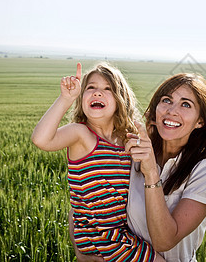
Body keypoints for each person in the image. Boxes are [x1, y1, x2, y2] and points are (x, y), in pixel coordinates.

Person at [31, 62, 164, 262]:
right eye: (90, 88)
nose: (97, 93)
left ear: (121, 100)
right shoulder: (81, 134)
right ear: (81, 98)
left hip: (122, 234)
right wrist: (65, 99)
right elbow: (41, 139)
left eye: (107, 89)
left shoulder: (126, 138)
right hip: (101, 237)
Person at [124, 73, 206, 261]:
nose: (171, 111)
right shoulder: (132, 153)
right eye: (166, 100)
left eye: (186, 104)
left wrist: (151, 173)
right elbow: (85, 201)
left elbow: (164, 241)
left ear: (200, 121)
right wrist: (83, 254)